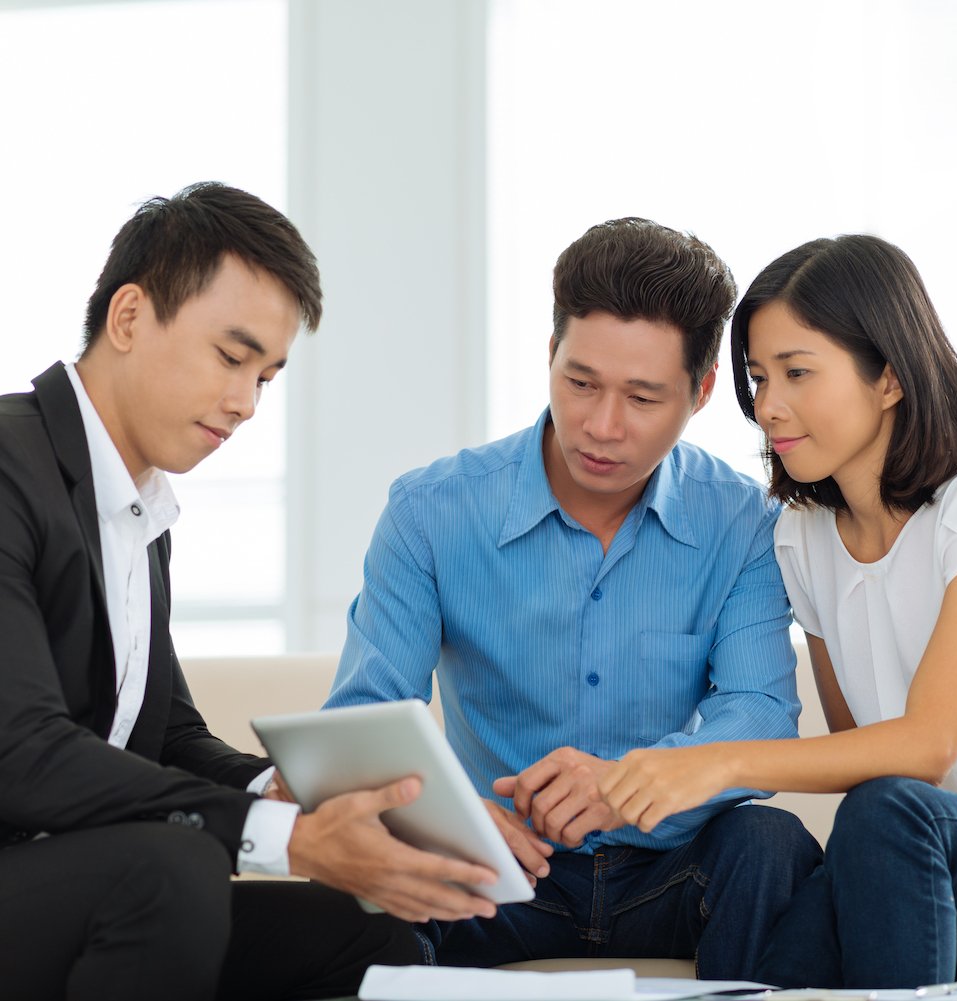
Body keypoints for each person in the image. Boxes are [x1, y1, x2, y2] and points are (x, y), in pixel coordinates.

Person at [0, 182, 502, 1001]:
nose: (244, 403)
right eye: (231, 358)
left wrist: (281, 789)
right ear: (130, 317)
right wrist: (289, 837)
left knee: (370, 937)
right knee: (171, 870)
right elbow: (24, 757)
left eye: (267, 377)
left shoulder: (137, 511)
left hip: (52, 883)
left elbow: (167, 731)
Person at [599, 234, 957, 989]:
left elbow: (926, 745)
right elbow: (865, 750)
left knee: (888, 809)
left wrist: (713, 760)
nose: (768, 407)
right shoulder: (803, 539)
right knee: (769, 975)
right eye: (756, 377)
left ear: (889, 379)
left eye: (797, 373)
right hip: (929, 862)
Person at [324, 217, 822, 977]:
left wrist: (628, 787)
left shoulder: (744, 523)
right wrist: (448, 817)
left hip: (670, 873)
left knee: (771, 843)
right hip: (493, 874)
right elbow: (361, 721)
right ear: (550, 355)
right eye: (579, 382)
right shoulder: (432, 510)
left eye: (643, 397)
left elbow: (759, 716)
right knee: (377, 874)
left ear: (701, 391)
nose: (600, 425)